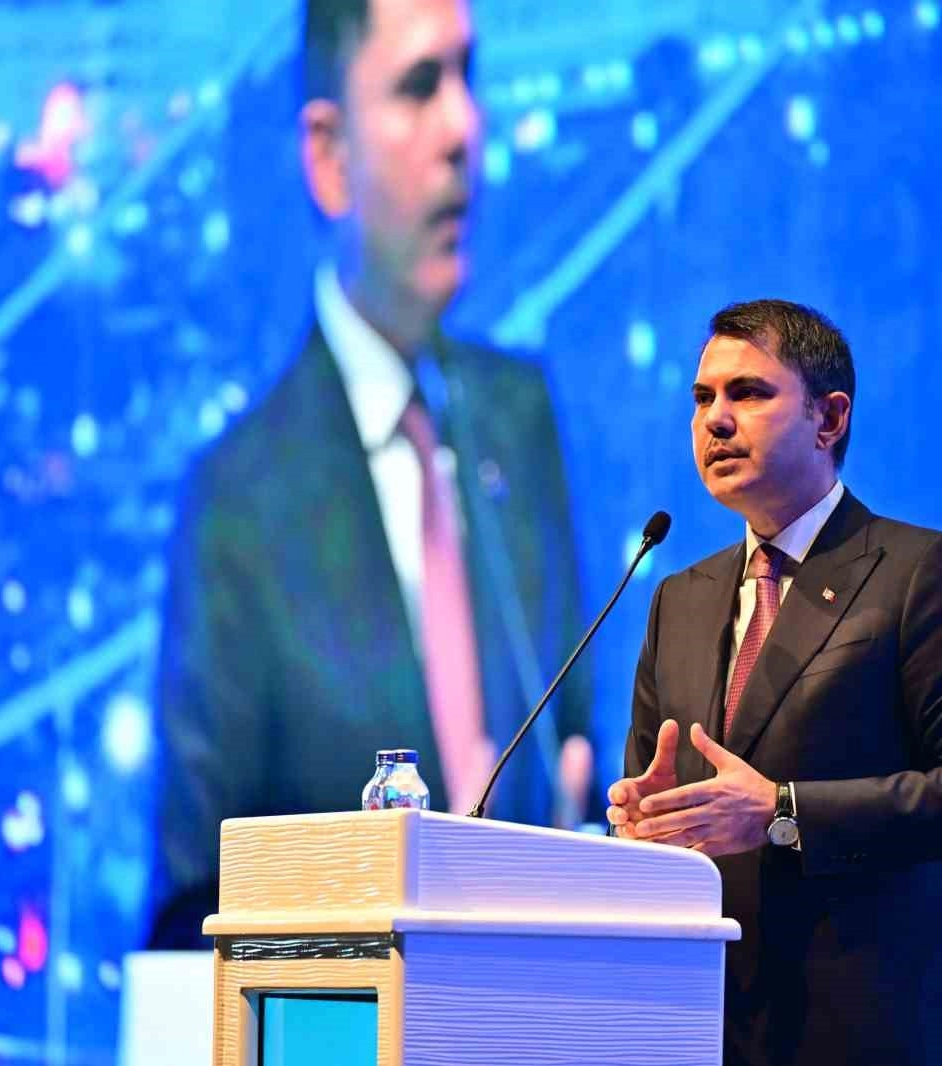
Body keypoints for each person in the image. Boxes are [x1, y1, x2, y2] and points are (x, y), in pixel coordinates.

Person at [148, 0, 592, 949]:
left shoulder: (519, 419)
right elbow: (193, 908)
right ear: (329, 156)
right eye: (420, 87)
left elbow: (580, 766)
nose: (464, 127)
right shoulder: (237, 501)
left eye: (469, 76)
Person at [607, 299, 942, 1065]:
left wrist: (783, 812)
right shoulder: (680, 600)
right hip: (704, 1032)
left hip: (866, 1036)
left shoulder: (920, 573)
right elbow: (657, 805)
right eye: (702, 398)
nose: (715, 420)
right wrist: (641, 830)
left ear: (829, 419)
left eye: (748, 393)